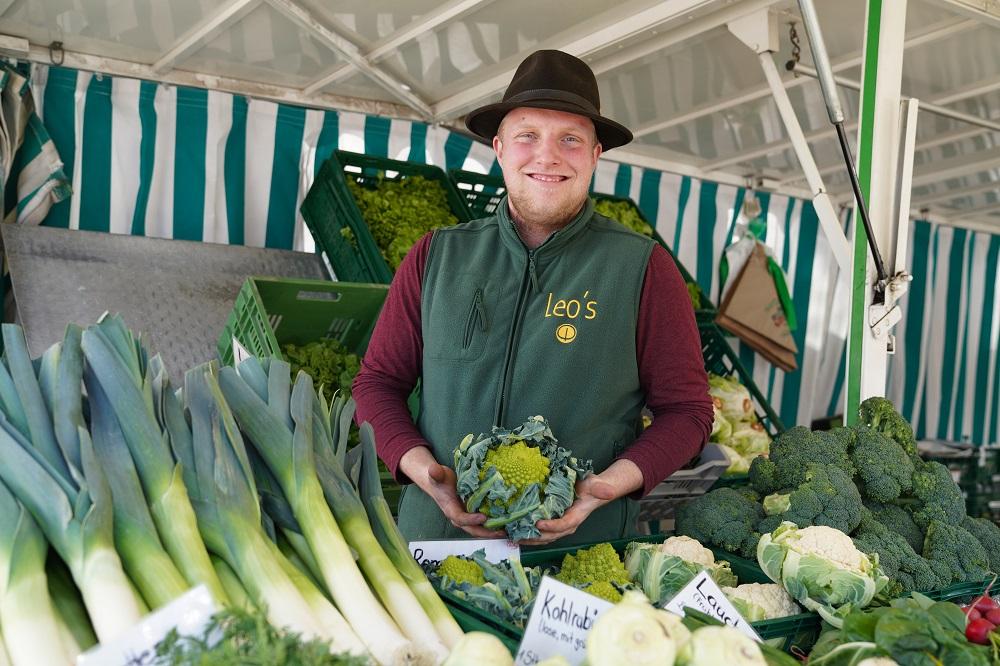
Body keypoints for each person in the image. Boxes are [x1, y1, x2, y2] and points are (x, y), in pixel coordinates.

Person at [353, 49, 713, 546]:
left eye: (570, 139)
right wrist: (421, 470)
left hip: (574, 557)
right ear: (500, 149)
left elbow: (688, 412)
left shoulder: (642, 268)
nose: (547, 156)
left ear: (594, 155)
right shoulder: (436, 255)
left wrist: (607, 487)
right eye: (528, 136)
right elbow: (376, 383)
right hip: (435, 542)